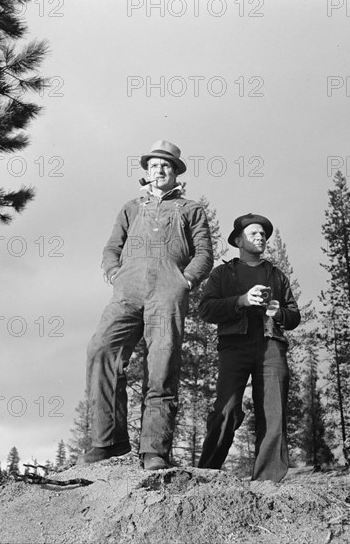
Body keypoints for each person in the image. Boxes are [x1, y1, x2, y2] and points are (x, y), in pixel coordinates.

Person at [80, 140, 213, 470]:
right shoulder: (131, 207)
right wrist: (115, 274)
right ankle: (108, 441)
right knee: (101, 348)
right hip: (127, 292)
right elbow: (112, 247)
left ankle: (154, 450)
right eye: (155, 165)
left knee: (162, 363)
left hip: (167, 293)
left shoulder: (190, 208)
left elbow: (204, 253)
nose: (160, 169)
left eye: (167, 165)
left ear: (176, 172)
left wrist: (185, 282)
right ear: (146, 171)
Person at [197, 213, 300, 482]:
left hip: (272, 348)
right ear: (239, 240)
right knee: (227, 408)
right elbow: (206, 309)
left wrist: (279, 313)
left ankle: (268, 481)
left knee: (273, 411)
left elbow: (294, 316)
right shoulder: (222, 273)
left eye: (263, 234)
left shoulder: (277, 276)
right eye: (253, 233)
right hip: (234, 347)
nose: (260, 237)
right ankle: (206, 474)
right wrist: (241, 300)